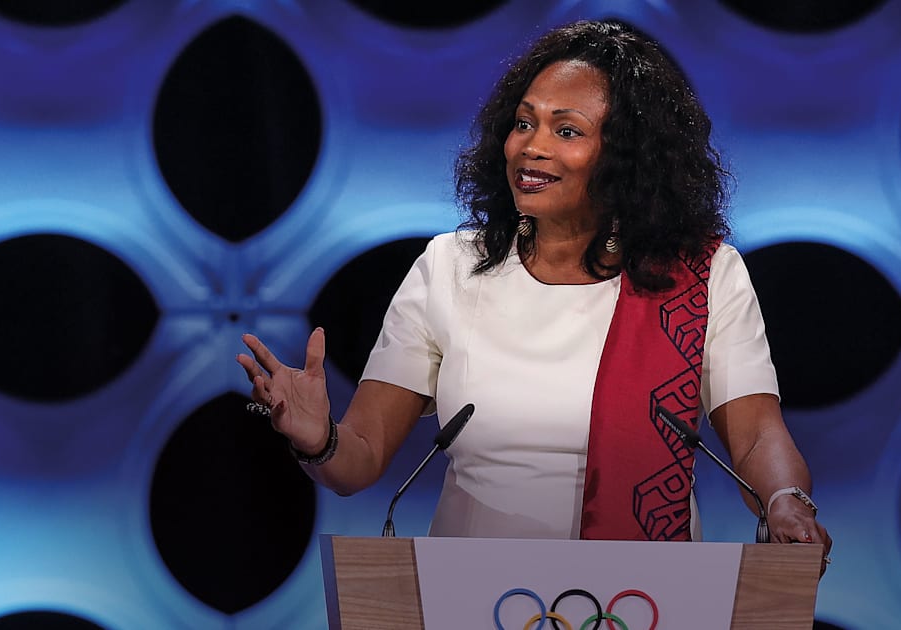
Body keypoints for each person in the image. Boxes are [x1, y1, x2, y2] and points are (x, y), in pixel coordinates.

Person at [237, 19, 831, 565]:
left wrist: (786, 500)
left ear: (627, 158)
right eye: (524, 123)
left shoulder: (701, 277)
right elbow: (359, 458)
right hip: (471, 597)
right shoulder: (450, 265)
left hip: (641, 600)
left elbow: (756, 436)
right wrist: (320, 440)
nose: (531, 146)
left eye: (566, 130)